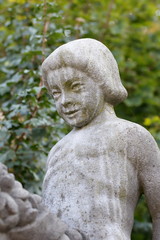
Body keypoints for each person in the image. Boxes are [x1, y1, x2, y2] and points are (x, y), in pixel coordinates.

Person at [41, 38, 160, 240]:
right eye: (56, 93)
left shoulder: (130, 136)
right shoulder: (57, 150)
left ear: (103, 82)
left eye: (75, 86)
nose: (64, 100)